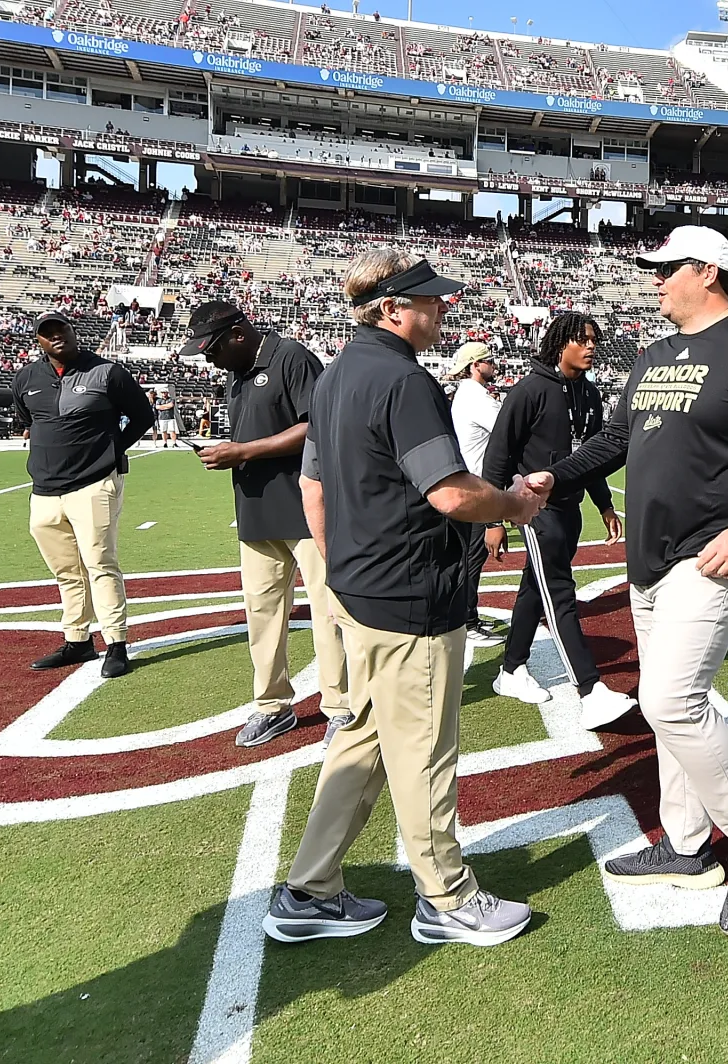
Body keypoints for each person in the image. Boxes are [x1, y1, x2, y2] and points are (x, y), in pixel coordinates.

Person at [540, 226, 728, 937]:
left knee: (670, 699)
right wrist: (555, 476)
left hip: (712, 556)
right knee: (673, 701)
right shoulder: (653, 355)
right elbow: (616, 442)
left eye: (666, 269)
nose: (654, 279)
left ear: (708, 271)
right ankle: (688, 846)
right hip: (648, 557)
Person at [265, 250, 548, 948]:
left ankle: (310, 888)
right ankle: (447, 897)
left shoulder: (336, 375)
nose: (443, 309)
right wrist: (512, 504)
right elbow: (450, 492)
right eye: (431, 301)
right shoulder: (401, 379)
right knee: (422, 750)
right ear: (392, 308)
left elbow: (314, 488)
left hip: (362, 588)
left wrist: (341, 568)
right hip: (412, 591)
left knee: (361, 739)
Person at [177, 300, 350, 748]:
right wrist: (228, 452)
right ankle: (272, 705)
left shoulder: (291, 357)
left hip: (306, 507)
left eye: (211, 348)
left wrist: (244, 452)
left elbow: (316, 426)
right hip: (256, 511)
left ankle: (340, 705)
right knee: (262, 613)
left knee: (327, 612)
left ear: (238, 334)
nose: (208, 359)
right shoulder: (235, 374)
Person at [483, 312, 634, 730]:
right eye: (582, 340)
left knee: (537, 589)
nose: (591, 348)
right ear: (560, 343)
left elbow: (594, 455)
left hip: (569, 509)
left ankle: (511, 670)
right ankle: (590, 690)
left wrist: (604, 505)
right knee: (560, 596)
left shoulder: (589, 394)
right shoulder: (529, 390)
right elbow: (498, 456)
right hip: (536, 510)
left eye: (594, 341)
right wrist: (493, 519)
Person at [12, 312, 156, 679]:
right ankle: (78, 639)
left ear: (74, 333)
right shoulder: (27, 377)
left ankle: (117, 643)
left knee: (100, 564)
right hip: (44, 489)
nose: (56, 337)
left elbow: (142, 416)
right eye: (47, 333)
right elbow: (28, 420)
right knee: (65, 569)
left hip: (93, 483)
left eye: (62, 329)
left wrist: (110, 451)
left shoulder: (107, 372)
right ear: (38, 341)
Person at [448, 341, 504, 647]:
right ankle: (466, 621)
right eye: (488, 361)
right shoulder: (477, 397)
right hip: (477, 488)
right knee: (472, 558)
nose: (493, 365)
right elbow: (506, 428)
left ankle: (466, 616)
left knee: (469, 557)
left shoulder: (467, 395)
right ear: (475, 366)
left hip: (469, 484)